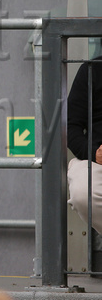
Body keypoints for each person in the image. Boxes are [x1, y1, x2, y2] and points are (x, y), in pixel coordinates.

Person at [67, 56, 102, 263]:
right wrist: (93, 151)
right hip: (98, 161)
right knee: (82, 191)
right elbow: (70, 127)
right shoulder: (92, 69)